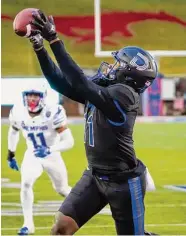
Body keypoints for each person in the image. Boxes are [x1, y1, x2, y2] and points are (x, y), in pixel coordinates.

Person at [23, 10, 158, 235]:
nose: (112, 67)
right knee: (61, 228)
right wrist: (39, 47)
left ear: (128, 73)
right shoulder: (104, 91)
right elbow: (59, 82)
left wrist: (55, 40)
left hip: (123, 183)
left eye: (118, 65)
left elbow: (80, 82)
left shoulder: (125, 95)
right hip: (95, 176)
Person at [7, 83, 74, 235]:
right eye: (29, 95)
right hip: (33, 154)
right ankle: (28, 225)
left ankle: (86, 206)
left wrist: (50, 149)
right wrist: (10, 153)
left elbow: (69, 141)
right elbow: (13, 131)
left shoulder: (53, 111)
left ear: (42, 97)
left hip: (52, 155)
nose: (32, 98)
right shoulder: (18, 111)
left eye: (35, 95)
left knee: (62, 189)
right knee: (25, 183)